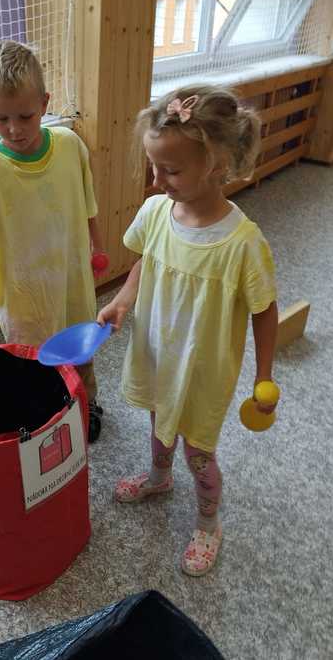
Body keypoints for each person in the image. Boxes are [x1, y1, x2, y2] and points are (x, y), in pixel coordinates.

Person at [97, 86, 278, 574]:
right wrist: (121, 301)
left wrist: (265, 376)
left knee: (198, 451)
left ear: (217, 165)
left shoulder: (243, 243)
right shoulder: (157, 213)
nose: (157, 180)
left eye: (171, 171)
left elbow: (264, 310)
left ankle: (208, 522)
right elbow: (146, 262)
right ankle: (159, 478)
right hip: (158, 352)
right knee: (159, 424)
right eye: (154, 167)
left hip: (202, 371)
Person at [0, 40, 107, 442]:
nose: (14, 129)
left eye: (25, 116)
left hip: (72, 280)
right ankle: (48, 416)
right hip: (26, 296)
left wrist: (97, 245)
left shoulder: (70, 147)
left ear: (44, 103)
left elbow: (87, 200)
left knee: (80, 349)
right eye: (1, 118)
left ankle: (88, 403)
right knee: (36, 362)